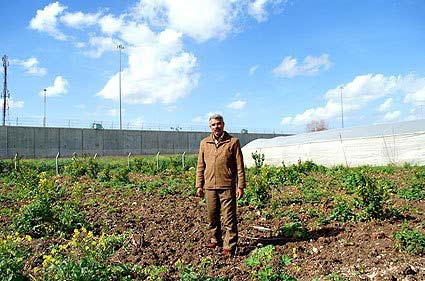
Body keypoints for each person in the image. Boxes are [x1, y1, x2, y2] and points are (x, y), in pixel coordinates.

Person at [196, 114, 246, 256]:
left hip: (227, 186)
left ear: (223, 124)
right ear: (210, 127)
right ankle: (215, 239)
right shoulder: (204, 143)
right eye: (213, 125)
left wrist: (240, 186)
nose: (216, 127)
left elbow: (239, 166)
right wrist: (199, 185)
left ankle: (229, 246)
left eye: (218, 124)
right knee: (212, 215)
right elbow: (200, 166)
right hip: (209, 186)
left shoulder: (233, 142)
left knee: (229, 217)